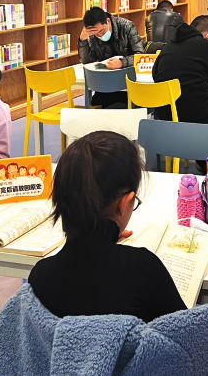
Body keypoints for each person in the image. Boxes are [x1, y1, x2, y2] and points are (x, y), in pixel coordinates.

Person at [28, 131, 187, 322]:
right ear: (123, 203)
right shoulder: (143, 270)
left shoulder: (39, 277)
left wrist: (103, 239)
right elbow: (188, 331)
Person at [152, 15, 208, 138]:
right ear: (207, 36)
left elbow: (154, 73)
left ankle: (185, 146)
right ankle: (204, 150)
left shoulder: (169, 45)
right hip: (195, 111)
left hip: (164, 112)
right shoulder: (204, 44)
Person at [78, 7, 145, 107]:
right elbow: (87, 61)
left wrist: (122, 62)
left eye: (102, 31)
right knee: (97, 105)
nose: (100, 35)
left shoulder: (127, 26)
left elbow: (140, 57)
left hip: (128, 83)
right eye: (96, 34)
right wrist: (82, 41)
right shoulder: (92, 34)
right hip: (106, 82)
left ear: (108, 21)